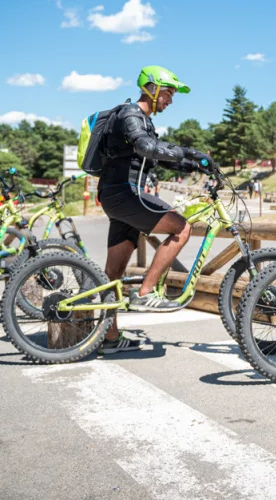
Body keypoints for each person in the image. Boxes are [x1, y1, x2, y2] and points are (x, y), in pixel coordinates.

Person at [97, 65, 214, 354]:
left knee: (112, 274)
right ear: (151, 88)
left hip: (116, 195)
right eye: (168, 93)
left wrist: (192, 163)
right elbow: (146, 146)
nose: (170, 100)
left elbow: (156, 157)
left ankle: (108, 339)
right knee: (181, 227)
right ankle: (146, 292)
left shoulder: (143, 120)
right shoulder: (130, 114)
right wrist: (188, 152)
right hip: (125, 193)